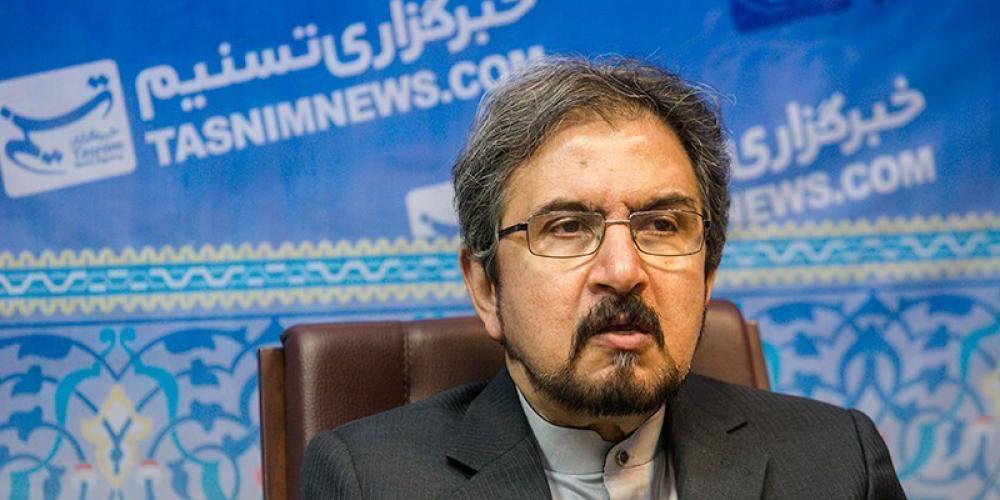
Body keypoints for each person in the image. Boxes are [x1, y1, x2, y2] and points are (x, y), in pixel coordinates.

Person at [300, 56, 906, 499]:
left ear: (707, 274)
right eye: (567, 227)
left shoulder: (837, 463)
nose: (622, 272)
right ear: (486, 287)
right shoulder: (370, 481)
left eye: (662, 225)